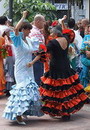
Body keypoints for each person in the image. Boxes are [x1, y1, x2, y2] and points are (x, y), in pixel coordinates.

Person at [28, 27, 89, 121]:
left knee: (57, 90)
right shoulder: (66, 39)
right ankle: (66, 113)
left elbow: (43, 51)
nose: (51, 35)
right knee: (66, 89)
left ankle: (60, 111)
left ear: (55, 34)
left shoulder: (53, 43)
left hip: (55, 66)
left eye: (52, 33)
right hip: (65, 65)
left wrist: (37, 52)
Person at [3, 11, 43, 125]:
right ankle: (17, 114)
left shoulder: (30, 40)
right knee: (22, 89)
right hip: (20, 68)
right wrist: (23, 17)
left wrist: (32, 62)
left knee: (29, 89)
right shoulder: (17, 39)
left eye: (30, 29)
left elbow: (38, 53)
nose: (30, 31)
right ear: (23, 30)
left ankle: (23, 111)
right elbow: (15, 29)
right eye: (28, 29)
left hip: (28, 68)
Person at [29, 14, 45, 85]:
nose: (44, 23)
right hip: (36, 57)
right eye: (43, 21)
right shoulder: (35, 32)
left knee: (38, 77)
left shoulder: (37, 31)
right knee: (37, 78)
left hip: (38, 57)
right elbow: (38, 47)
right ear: (38, 21)